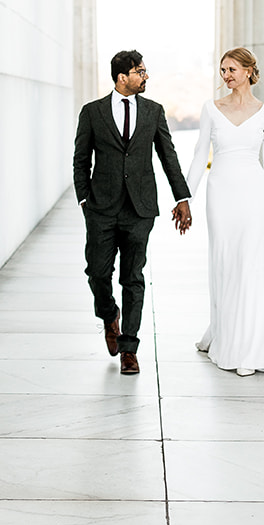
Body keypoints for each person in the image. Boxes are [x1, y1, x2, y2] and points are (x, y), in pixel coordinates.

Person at [73, 50, 193, 375]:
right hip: (100, 208)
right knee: (97, 272)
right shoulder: (92, 112)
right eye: (140, 71)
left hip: (140, 209)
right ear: (122, 77)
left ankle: (129, 349)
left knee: (133, 277)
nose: (146, 76)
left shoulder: (154, 112)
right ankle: (109, 314)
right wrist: (85, 199)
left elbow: (168, 155)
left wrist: (182, 197)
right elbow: (81, 159)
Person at [182, 47, 264, 376]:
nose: (225, 75)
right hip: (221, 193)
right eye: (222, 70)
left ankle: (249, 348)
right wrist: (184, 198)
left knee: (251, 264)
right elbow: (201, 155)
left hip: (253, 194)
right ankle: (225, 334)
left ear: (247, 71)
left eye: (231, 69)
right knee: (225, 262)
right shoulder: (211, 109)